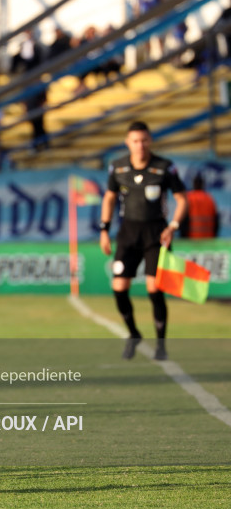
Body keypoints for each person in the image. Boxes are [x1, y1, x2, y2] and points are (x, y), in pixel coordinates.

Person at [99, 121, 187, 361]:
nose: (140, 145)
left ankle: (161, 345)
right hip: (128, 234)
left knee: (154, 289)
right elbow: (109, 198)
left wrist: (173, 226)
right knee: (119, 289)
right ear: (128, 143)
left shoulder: (165, 167)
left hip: (157, 234)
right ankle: (134, 333)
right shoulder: (117, 168)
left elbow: (182, 200)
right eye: (135, 141)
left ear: (150, 141)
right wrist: (104, 230)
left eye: (144, 140)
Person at [181, 173, 219, 238]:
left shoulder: (189, 197)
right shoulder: (209, 198)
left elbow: (183, 218)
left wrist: (183, 235)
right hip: (208, 237)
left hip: (191, 237)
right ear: (202, 185)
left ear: (194, 184)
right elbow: (216, 220)